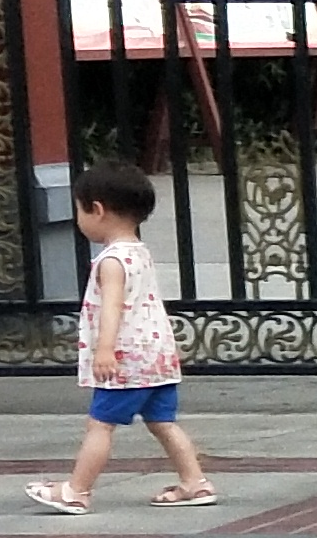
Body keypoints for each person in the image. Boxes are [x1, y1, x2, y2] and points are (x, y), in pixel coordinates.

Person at [29, 158, 217, 514]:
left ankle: (76, 490)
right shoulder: (139, 253)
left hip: (125, 362)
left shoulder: (111, 261)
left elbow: (112, 307)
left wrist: (104, 349)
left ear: (96, 210)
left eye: (79, 210)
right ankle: (195, 482)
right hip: (156, 359)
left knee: (100, 426)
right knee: (164, 422)